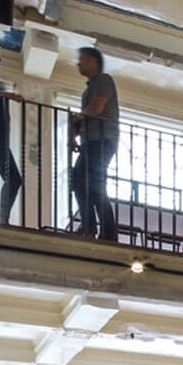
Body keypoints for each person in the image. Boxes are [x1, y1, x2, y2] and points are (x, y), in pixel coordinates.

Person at [70, 46, 119, 241]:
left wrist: (78, 117)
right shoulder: (89, 88)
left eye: (82, 58)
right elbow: (87, 114)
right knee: (81, 182)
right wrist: (74, 134)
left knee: (94, 184)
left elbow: (96, 108)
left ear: (93, 60)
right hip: (92, 141)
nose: (78, 63)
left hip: (102, 140)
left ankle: (105, 231)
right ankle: (90, 226)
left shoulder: (103, 80)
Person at [0, 43, 22, 226]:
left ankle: (2, 219)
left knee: (14, 179)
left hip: (0, 140)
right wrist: (6, 95)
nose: (0, 59)